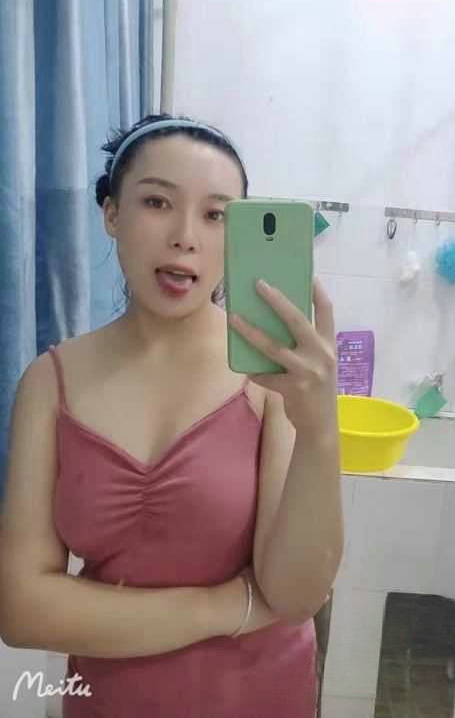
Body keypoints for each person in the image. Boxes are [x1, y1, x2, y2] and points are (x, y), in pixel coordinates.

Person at [0, 114, 342, 717]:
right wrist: (220, 606)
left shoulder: (272, 380)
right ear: (112, 214)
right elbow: (21, 610)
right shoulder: (49, 384)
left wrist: (319, 432)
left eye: (215, 215)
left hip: (259, 697)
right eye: (157, 202)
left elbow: (294, 596)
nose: (185, 236)